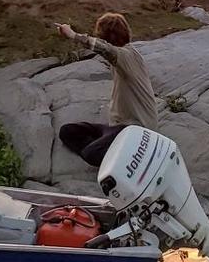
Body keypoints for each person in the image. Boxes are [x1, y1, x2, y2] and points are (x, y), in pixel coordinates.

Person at [54, 13, 161, 166]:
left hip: (137, 131)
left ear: (107, 38)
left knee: (90, 154)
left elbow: (105, 49)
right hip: (117, 128)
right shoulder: (128, 53)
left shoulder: (124, 56)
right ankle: (114, 148)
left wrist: (72, 35)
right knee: (67, 131)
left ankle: (126, 157)